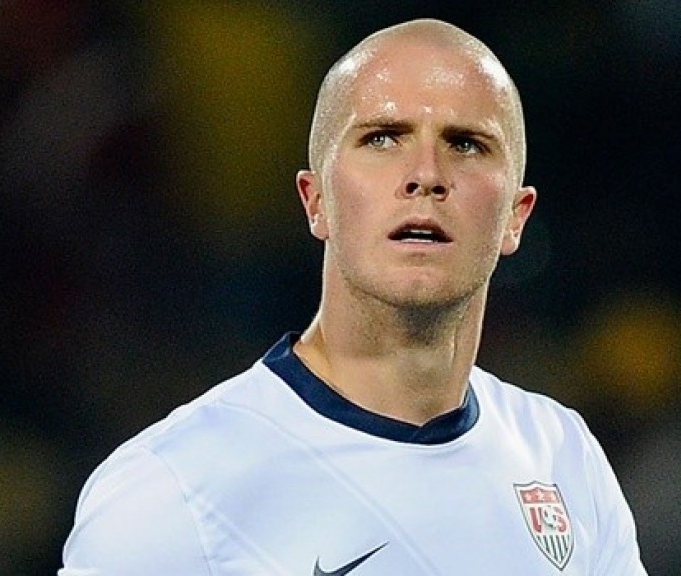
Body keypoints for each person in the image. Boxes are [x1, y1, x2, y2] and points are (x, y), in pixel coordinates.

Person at [59, 18, 647, 575]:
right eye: (383, 138)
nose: (426, 174)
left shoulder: (565, 460)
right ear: (316, 201)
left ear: (516, 216)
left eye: (466, 144)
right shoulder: (175, 489)